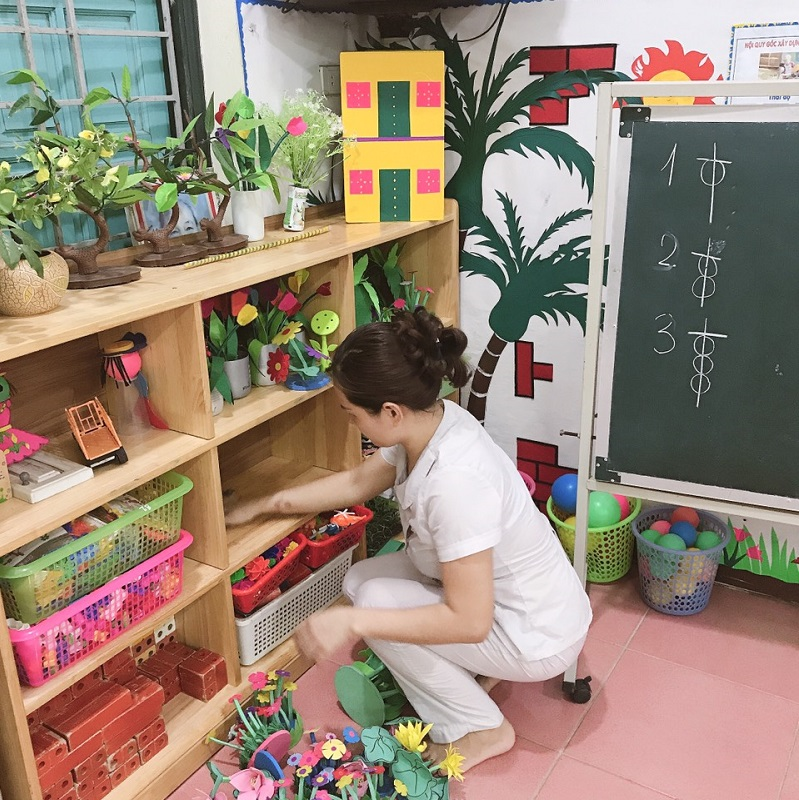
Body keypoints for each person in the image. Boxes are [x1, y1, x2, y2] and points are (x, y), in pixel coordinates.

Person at [225, 308, 592, 772]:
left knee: (371, 606)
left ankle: (481, 729)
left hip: (535, 634)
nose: (352, 424)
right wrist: (267, 503)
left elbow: (471, 621)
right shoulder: (432, 422)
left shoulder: (455, 483)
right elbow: (357, 482)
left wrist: (353, 623)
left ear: (391, 412)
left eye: (352, 415)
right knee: (361, 582)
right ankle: (470, 674)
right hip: (508, 600)